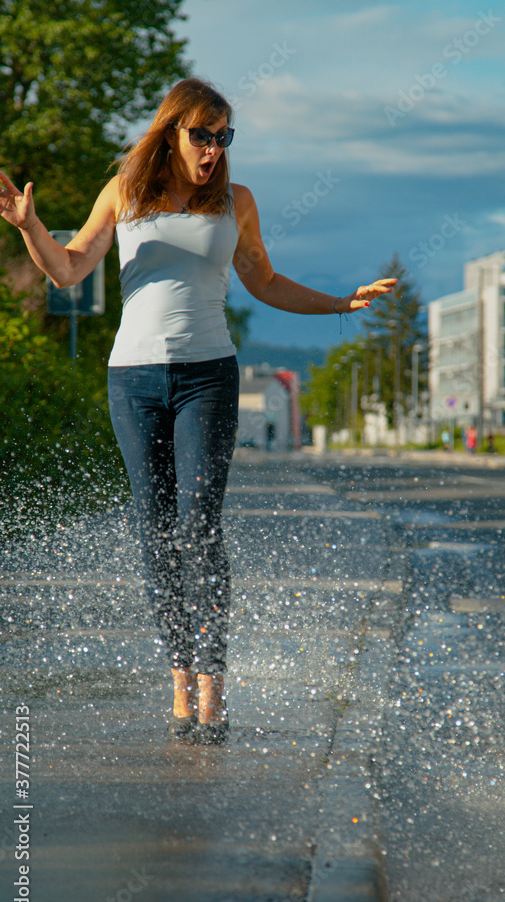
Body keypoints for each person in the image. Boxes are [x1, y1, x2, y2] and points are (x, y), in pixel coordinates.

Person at [0, 77, 397, 744]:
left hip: (208, 376)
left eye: (223, 137)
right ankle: (179, 682)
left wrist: (337, 303)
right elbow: (68, 272)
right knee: (155, 532)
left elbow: (263, 281)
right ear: (172, 131)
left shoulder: (235, 203)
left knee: (198, 525)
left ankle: (212, 685)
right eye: (202, 135)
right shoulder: (126, 191)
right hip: (132, 379)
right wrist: (28, 226)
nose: (213, 149)